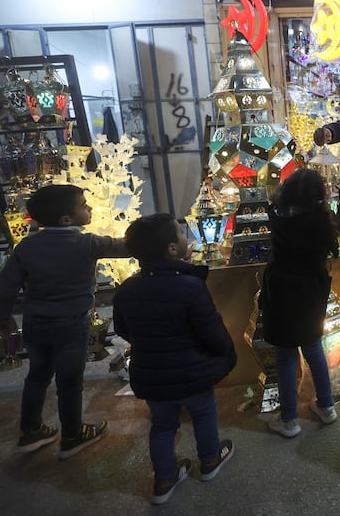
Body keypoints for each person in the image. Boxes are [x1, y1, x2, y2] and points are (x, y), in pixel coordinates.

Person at [0, 184, 129, 460]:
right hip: (71, 324)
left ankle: (30, 430)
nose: (89, 208)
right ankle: (73, 435)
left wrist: (1, 320)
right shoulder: (88, 242)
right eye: (83, 205)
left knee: (38, 375)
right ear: (67, 220)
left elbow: (5, 288)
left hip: (35, 323)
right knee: (69, 380)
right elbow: (124, 247)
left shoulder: (27, 246)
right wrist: (156, 238)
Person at [112, 213, 237, 505]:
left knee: (162, 425)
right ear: (171, 249)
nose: (185, 238)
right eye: (181, 234)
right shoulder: (190, 287)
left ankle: (165, 479)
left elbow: (123, 330)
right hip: (194, 373)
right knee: (204, 413)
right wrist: (226, 354)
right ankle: (209, 461)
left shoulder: (127, 290)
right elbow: (211, 330)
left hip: (151, 375)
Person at [259, 168, 340, 438]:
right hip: (311, 290)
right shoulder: (320, 221)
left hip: (281, 289)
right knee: (314, 348)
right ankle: (327, 406)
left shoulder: (276, 215)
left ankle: (289, 420)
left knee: (286, 355)